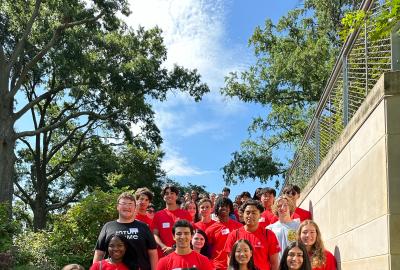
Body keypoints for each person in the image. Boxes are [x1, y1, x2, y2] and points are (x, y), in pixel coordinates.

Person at [93, 192, 157, 270]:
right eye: (123, 203)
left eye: (130, 204)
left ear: (135, 207)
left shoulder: (143, 226)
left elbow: (153, 253)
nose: (127, 206)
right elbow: (99, 253)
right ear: (117, 207)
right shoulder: (108, 226)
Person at [225, 200, 280, 270]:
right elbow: (230, 263)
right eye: (247, 213)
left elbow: (274, 263)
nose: (250, 215)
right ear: (243, 214)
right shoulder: (234, 235)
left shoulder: (269, 235)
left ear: (260, 215)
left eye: (254, 213)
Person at [152, 185, 192, 258]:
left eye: (172, 193)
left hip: (182, 254)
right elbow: (155, 235)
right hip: (163, 254)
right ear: (163, 197)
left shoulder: (186, 214)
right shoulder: (158, 215)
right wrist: (164, 247)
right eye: (166, 193)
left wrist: (175, 248)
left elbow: (190, 233)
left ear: (176, 196)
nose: (169, 195)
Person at [206, 197, 243, 270]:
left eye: (227, 206)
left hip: (237, 265)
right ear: (217, 208)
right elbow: (207, 251)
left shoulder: (240, 226)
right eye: (222, 206)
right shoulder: (210, 229)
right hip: (218, 266)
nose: (225, 208)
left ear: (230, 209)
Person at [267, 196, 300, 260]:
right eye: (279, 206)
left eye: (285, 205)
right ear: (276, 209)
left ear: (290, 207)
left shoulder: (298, 226)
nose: (282, 208)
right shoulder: (270, 229)